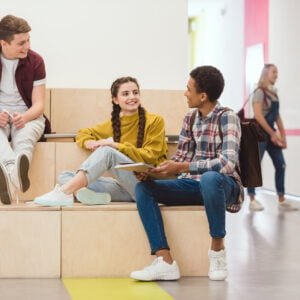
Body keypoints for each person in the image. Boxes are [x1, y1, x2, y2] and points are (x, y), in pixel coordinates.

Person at [130, 66, 243, 282]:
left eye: (188, 89)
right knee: (144, 188)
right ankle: (165, 261)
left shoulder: (228, 118)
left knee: (210, 178)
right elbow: (180, 159)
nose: (185, 93)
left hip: (224, 186)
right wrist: (154, 172)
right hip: (192, 185)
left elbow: (227, 164)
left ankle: (217, 251)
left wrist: (183, 168)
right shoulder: (190, 118)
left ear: (203, 96)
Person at [34, 76, 168, 206]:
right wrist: (88, 142)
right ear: (116, 100)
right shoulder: (113, 125)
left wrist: (114, 145)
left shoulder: (155, 121)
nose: (132, 97)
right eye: (126, 94)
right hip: (126, 188)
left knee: (107, 152)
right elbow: (83, 132)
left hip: (148, 185)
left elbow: (151, 155)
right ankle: (86, 194)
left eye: (135, 92)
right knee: (66, 176)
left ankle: (64, 193)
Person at [0, 15, 49, 205]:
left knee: (25, 135)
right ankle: (14, 173)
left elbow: (39, 105)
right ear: (4, 43)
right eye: (21, 43)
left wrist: (25, 117)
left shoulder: (36, 61)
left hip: (29, 114)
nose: (27, 46)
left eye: (28, 40)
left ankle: (10, 173)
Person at [247, 64, 298, 212]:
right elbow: (258, 116)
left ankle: (281, 200)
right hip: (260, 134)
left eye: (277, 72)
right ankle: (252, 198)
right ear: (266, 74)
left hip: (271, 134)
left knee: (280, 164)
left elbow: (276, 115)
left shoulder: (274, 93)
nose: (276, 74)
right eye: (274, 71)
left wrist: (283, 135)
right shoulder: (259, 92)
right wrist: (273, 134)